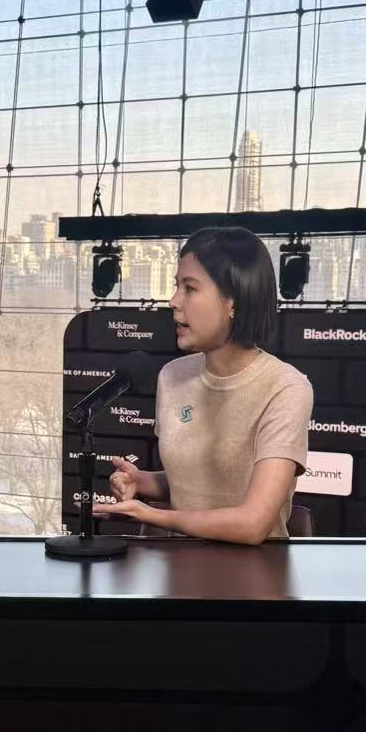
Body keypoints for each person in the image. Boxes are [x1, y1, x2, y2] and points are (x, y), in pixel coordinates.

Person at [92, 227, 312, 545]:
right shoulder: (172, 376)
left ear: (234, 301)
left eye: (190, 288)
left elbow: (253, 524)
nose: (173, 301)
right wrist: (142, 482)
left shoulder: (286, 388)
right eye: (176, 287)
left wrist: (150, 515)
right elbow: (198, 481)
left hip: (255, 572)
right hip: (179, 569)